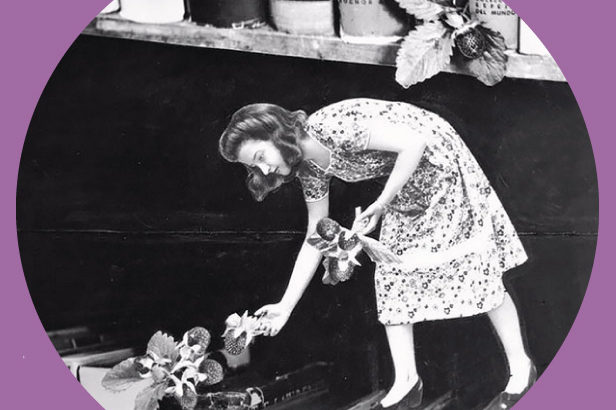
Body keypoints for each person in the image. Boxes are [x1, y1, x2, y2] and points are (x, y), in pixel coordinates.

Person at [218, 98, 536, 409]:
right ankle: (406, 384)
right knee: (391, 274)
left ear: (275, 133)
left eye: (260, 156)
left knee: (474, 266)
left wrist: (382, 204)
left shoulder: (332, 126)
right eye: (254, 166)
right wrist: (285, 306)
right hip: (404, 183)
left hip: (439, 161)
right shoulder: (309, 169)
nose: (264, 168)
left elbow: (414, 143)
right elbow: (316, 234)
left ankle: (521, 371)